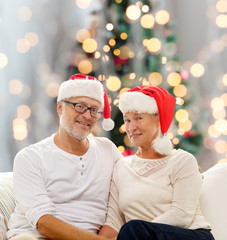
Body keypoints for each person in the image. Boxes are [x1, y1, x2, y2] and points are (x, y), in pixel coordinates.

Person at [7, 74, 122, 240]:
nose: (88, 116)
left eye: (94, 110)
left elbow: (116, 209)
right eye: (80, 106)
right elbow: (43, 222)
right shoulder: (30, 157)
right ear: (60, 107)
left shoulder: (108, 150)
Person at [99, 85, 215, 240]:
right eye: (127, 120)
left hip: (191, 235)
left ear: (158, 120)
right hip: (138, 235)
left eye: (139, 118)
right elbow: (113, 223)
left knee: (134, 228)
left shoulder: (182, 161)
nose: (131, 127)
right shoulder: (121, 167)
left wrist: (138, 234)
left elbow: (182, 216)